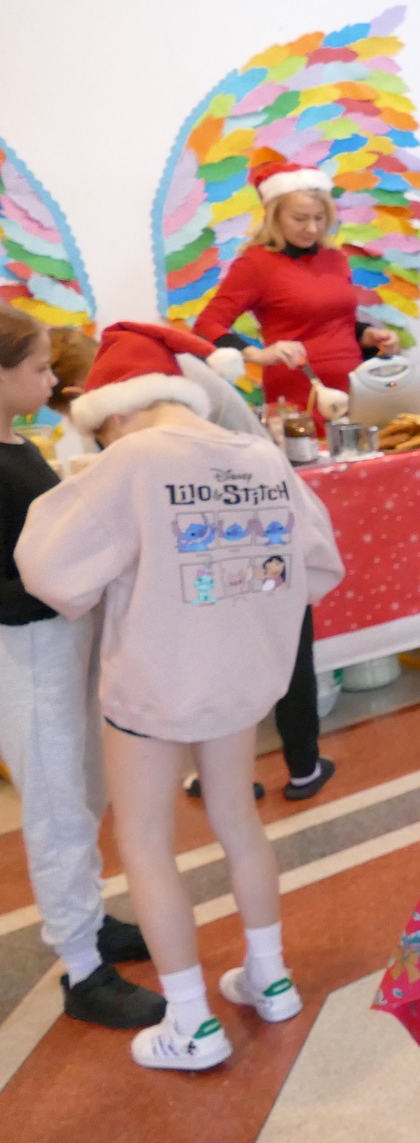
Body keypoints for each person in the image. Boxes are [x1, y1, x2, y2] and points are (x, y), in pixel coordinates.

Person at [17, 321, 343, 1071]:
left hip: (153, 684)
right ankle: (271, 979)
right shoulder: (260, 454)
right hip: (240, 679)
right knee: (238, 820)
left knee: (146, 842)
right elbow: (319, 565)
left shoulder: (132, 461)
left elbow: (48, 569)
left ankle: (191, 1022)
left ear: (115, 409)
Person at [0, 308, 164, 1031]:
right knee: (57, 808)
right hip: (28, 656)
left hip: (63, 645)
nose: (52, 380)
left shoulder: (17, 444)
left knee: (86, 791)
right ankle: (80, 965)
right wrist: (65, 585)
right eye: (39, 368)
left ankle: (91, 921)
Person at [192, 163, 400, 411]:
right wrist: (257, 355)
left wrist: (368, 336)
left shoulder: (334, 258)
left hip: (355, 386)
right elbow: (207, 324)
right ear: (275, 216)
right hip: (298, 393)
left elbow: (335, 321)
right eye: (300, 219)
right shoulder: (256, 263)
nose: (312, 228)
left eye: (319, 218)